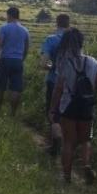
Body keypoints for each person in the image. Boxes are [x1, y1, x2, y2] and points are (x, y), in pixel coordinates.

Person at [49, 28, 97, 184]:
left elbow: (58, 89)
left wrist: (53, 109)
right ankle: (86, 165)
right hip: (86, 107)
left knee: (69, 142)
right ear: (81, 43)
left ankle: (66, 177)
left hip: (68, 107)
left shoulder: (65, 63)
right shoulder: (93, 62)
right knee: (86, 140)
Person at [40, 13, 71, 155]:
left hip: (54, 80)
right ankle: (68, 144)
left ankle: (55, 143)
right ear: (68, 24)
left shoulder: (51, 39)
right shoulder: (74, 40)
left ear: (56, 23)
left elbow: (43, 63)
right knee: (67, 113)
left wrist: (51, 67)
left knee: (52, 112)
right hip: (71, 82)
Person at [0, 6, 29, 116]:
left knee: (1, 86)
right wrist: (22, 59)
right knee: (16, 88)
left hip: (5, 59)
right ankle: (12, 113)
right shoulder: (25, 30)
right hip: (18, 61)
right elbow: (26, 48)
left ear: (10, 15)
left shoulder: (4, 28)